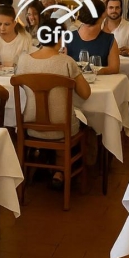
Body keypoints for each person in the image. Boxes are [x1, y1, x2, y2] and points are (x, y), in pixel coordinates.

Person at [14, 17, 92, 189]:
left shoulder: (24, 60)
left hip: (31, 126)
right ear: (60, 37)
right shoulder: (66, 62)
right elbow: (86, 93)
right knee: (83, 123)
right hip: (61, 129)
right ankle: (61, 170)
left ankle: (41, 162)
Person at [66, 0, 120, 74]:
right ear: (103, 15)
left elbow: (114, 68)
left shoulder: (109, 40)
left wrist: (95, 71)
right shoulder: (67, 38)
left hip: (100, 81)